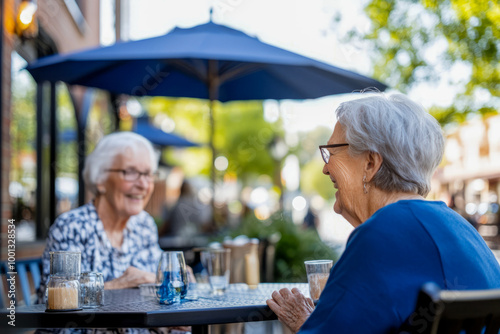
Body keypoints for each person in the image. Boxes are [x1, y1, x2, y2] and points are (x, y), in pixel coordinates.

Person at [267, 93, 500, 333]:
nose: (325, 168)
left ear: (370, 163)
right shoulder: (463, 229)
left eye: (332, 152)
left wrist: (305, 323)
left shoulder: (381, 236)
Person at [37, 132, 189, 334]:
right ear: (100, 179)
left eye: (148, 174)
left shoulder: (143, 225)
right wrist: (120, 285)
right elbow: (57, 313)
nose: (143, 184)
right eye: (130, 172)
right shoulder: (71, 227)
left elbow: (159, 290)